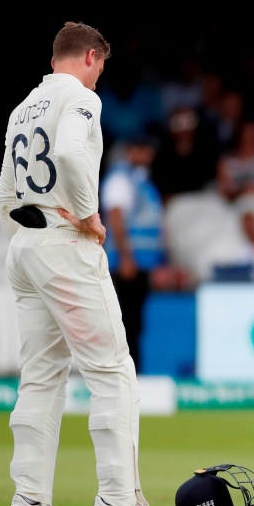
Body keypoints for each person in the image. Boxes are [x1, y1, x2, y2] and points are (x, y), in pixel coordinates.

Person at [0, 22, 179, 506]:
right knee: (112, 372)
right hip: (64, 245)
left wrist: (27, 236)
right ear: (92, 57)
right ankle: (119, 504)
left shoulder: (21, 108)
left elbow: (4, 195)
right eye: (101, 68)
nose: (98, 79)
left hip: (25, 247)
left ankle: (29, 503)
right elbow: (74, 154)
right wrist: (87, 215)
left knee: (40, 378)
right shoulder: (79, 97)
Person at [101, 137, 163, 371]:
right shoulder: (120, 179)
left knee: (134, 323)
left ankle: (132, 374)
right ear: (131, 151)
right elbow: (115, 219)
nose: (149, 155)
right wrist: (126, 258)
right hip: (126, 264)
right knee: (124, 322)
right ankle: (123, 375)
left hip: (141, 262)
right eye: (144, 149)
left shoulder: (141, 180)